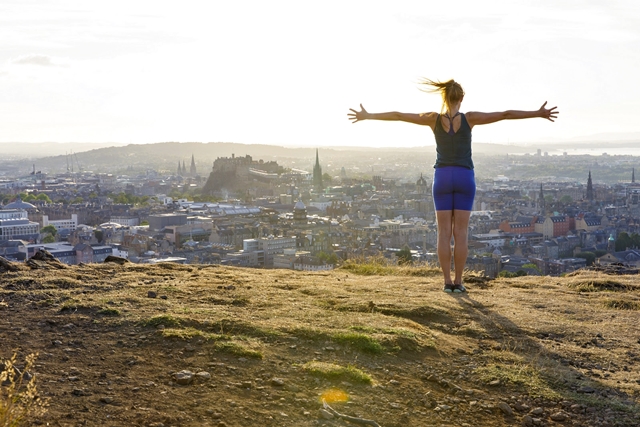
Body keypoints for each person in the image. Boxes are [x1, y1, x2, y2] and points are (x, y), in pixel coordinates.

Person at [348, 79, 558, 293]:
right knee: (461, 233)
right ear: (462, 98)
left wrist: (368, 116)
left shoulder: (433, 119)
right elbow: (505, 114)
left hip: (442, 177)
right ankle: (459, 281)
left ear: (444, 98)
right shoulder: (471, 118)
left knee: (443, 233)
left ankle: (447, 282)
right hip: (465, 176)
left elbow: (399, 115)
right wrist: (537, 113)